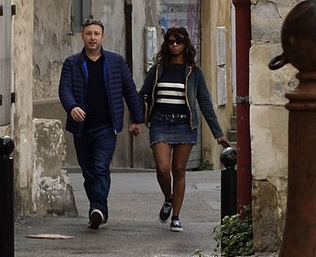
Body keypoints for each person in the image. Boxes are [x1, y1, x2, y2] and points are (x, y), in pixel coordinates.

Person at [140, 25, 229, 231]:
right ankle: (168, 198)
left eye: (178, 42)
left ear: (185, 44)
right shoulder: (158, 70)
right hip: (160, 122)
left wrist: (218, 134)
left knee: (179, 170)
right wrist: (139, 118)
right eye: (170, 42)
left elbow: (205, 103)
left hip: (184, 125)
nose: (174, 45)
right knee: (163, 168)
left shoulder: (194, 73)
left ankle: (176, 217)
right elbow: (143, 93)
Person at [58, 18, 144, 229]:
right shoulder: (72, 63)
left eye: (96, 34)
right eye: (89, 34)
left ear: (103, 37)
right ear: (83, 37)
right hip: (81, 128)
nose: (92, 37)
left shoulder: (115, 62)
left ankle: (98, 209)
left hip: (107, 126)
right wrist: (72, 107)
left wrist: (137, 119)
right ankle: (98, 209)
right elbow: (64, 88)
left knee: (100, 168)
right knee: (88, 172)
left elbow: (129, 90)